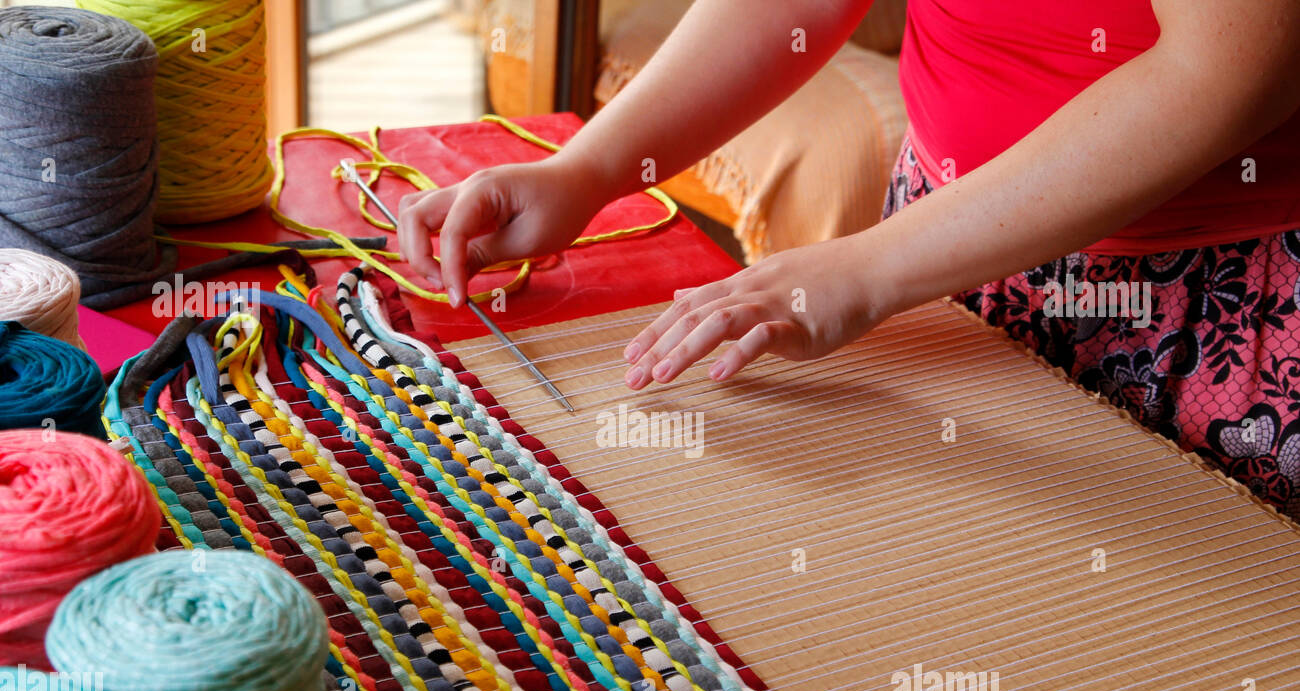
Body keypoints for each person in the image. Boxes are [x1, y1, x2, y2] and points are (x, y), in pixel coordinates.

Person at [397, 0, 1300, 515]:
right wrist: (589, 169)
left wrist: (867, 269)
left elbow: (1227, 73)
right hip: (948, 252)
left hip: (1218, 311)